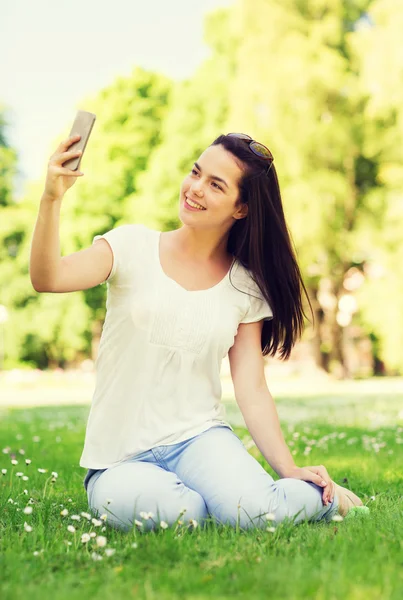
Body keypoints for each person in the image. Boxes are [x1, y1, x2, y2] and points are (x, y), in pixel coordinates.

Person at [29, 132, 364, 533]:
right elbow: (47, 277)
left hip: (200, 439)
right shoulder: (131, 246)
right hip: (119, 459)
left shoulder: (245, 286)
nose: (195, 189)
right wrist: (52, 198)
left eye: (215, 185)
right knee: (178, 514)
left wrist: (288, 468)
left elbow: (252, 388)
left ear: (241, 208)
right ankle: (216, 498)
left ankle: (325, 501)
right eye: (196, 173)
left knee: (257, 514)